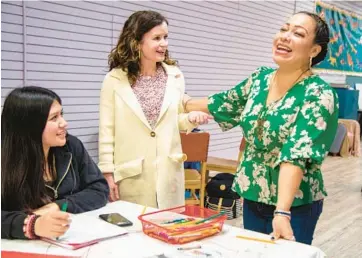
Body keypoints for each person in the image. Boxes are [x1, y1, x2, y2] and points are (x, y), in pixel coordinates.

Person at [184, 11, 338, 245]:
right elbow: (223, 102)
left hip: (293, 205)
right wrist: (178, 101)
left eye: (297, 33)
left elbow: (295, 156)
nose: (285, 36)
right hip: (253, 194)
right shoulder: (260, 79)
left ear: (314, 50)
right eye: (284, 29)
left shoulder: (318, 94)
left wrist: (282, 211)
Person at [98, 10, 211, 209]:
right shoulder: (114, 79)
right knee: (134, 232)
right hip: (133, 174)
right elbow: (107, 129)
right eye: (157, 38)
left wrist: (191, 119)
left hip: (168, 174)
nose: (164, 44)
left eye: (166, 37)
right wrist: (107, 173)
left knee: (168, 229)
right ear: (136, 42)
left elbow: (173, 121)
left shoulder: (175, 76)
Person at [1, 86, 109, 240]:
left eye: (61, 115)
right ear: (30, 125)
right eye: (54, 118)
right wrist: (32, 225)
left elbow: (99, 189)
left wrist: (57, 205)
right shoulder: (5, 159)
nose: (64, 123)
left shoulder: (71, 146)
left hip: (72, 237)